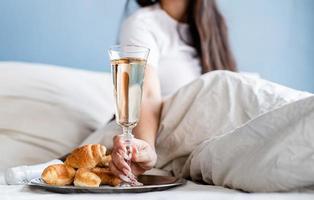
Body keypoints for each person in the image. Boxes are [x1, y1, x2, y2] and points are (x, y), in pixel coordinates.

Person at [109, 0, 236, 183]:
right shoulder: (142, 23)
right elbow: (145, 94)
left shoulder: (214, 25)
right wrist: (147, 150)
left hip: (209, 137)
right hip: (167, 134)